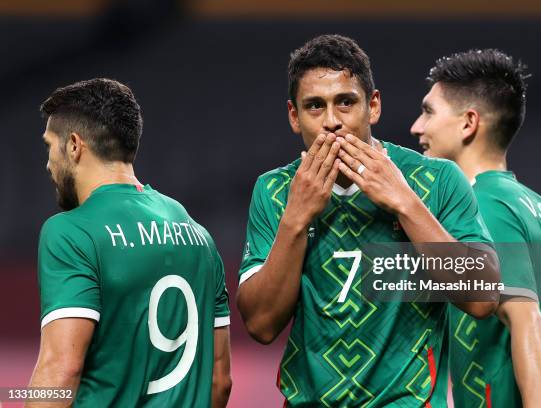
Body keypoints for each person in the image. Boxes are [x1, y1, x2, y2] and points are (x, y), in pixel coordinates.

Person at [237, 34, 500, 407]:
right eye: (314, 106)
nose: (332, 121)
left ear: (372, 106)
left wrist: (404, 202)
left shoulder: (436, 179)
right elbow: (261, 326)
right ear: (294, 116)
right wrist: (296, 218)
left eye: (346, 102)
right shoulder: (275, 190)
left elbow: (483, 295)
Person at [28, 78, 231, 407]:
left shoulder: (70, 233)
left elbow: (60, 370)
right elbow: (219, 382)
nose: (48, 163)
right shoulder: (200, 236)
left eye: (50, 146)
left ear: (74, 146)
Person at [411, 49, 541, 407]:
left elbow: (528, 322)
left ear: (468, 123)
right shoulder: (535, 206)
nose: (417, 127)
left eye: (428, 111)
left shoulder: (484, 207)